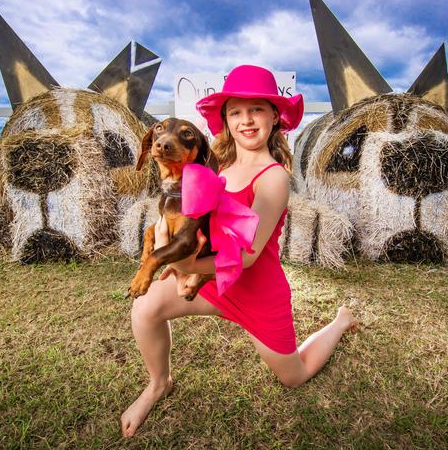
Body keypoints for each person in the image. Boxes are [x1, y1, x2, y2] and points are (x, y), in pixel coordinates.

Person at [121, 65, 359, 438]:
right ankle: (158, 383)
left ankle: (340, 321)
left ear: (274, 116)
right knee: (146, 305)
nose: (246, 120)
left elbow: (246, 257)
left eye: (257, 110)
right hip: (209, 276)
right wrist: (171, 249)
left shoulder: (273, 176)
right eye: (236, 112)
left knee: (293, 376)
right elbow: (185, 213)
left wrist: (183, 261)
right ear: (226, 119)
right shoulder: (215, 163)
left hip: (255, 287)